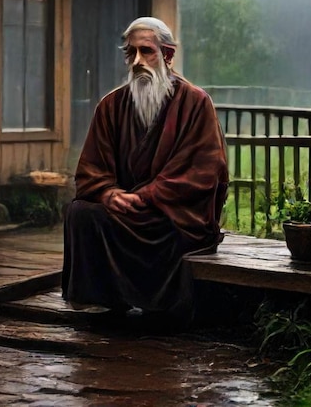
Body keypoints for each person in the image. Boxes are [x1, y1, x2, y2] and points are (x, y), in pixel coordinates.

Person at [62, 16, 229, 323]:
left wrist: (149, 195)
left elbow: (204, 170)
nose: (137, 61)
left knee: (168, 230)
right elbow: (90, 169)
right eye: (131, 53)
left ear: (167, 55)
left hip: (170, 214)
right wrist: (108, 193)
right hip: (125, 209)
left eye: (146, 51)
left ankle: (160, 305)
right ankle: (102, 299)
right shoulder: (111, 105)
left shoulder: (196, 103)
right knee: (81, 212)